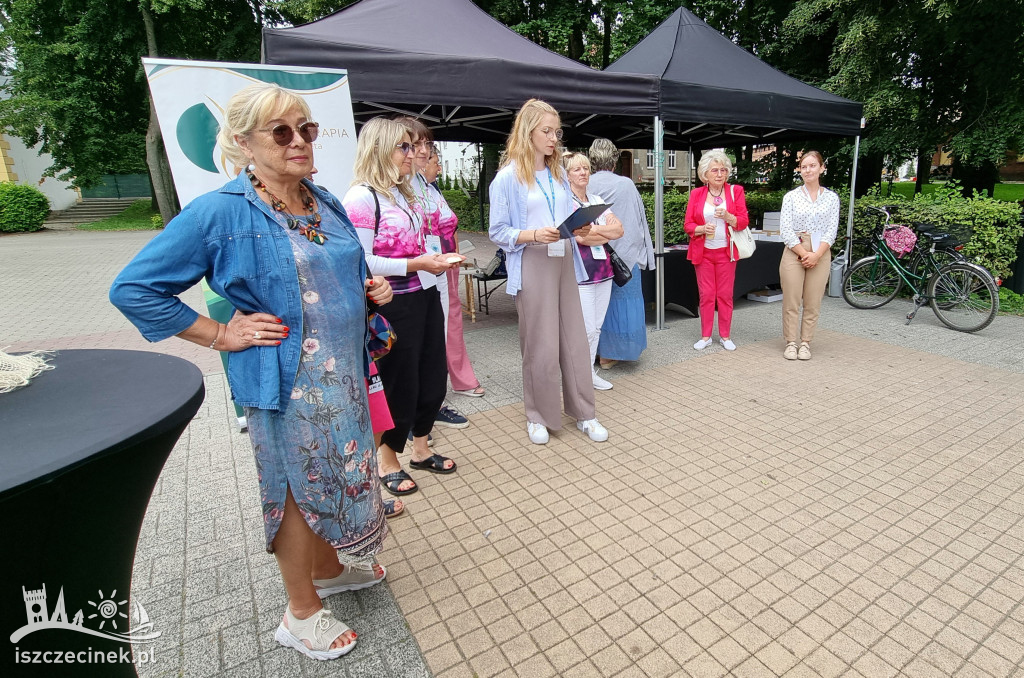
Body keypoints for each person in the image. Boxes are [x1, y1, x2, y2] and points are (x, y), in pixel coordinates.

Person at [110, 83, 391, 660]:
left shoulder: (325, 199)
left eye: (306, 128)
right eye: (281, 131)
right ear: (243, 143)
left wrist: (372, 289)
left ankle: (329, 569)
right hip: (286, 383)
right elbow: (133, 289)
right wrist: (218, 334)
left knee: (333, 476)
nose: (300, 141)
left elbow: (342, 268)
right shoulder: (221, 212)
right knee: (293, 490)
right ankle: (301, 612)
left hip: (341, 380)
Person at [341, 116, 462, 496]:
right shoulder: (362, 197)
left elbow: (421, 243)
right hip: (392, 302)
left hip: (425, 291)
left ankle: (421, 448)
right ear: (381, 150)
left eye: (414, 146)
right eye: (404, 147)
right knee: (399, 382)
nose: (415, 154)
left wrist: (434, 262)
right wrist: (417, 264)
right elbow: (359, 260)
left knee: (432, 374)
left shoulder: (403, 194)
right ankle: (386, 458)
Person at [489, 98, 609, 445]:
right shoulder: (508, 178)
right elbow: (497, 231)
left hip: (564, 256)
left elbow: (561, 218)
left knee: (574, 339)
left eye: (557, 131)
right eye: (546, 131)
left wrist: (579, 228)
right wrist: (532, 235)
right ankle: (538, 415)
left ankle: (586, 413)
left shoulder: (558, 174)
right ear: (527, 132)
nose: (554, 137)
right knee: (540, 344)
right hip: (532, 259)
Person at [421, 143, 486, 398]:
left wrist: (456, 258)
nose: (438, 166)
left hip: (447, 266)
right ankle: (431, 391)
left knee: (453, 322)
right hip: (426, 267)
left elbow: (452, 227)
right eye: (435, 161)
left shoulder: (434, 191)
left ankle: (460, 379)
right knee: (434, 326)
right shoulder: (411, 193)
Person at [587, 139, 655, 370]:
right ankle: (612, 354)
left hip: (592, 255)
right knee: (623, 305)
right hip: (624, 256)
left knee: (593, 306)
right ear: (615, 162)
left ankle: (594, 353)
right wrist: (643, 254)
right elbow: (637, 223)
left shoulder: (584, 183)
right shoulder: (626, 185)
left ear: (591, 160)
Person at [563, 151, 623, 391]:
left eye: (586, 168)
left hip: (603, 271)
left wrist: (594, 232)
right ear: (566, 175)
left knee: (596, 326)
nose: (583, 173)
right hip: (581, 273)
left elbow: (619, 230)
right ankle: (580, 375)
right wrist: (599, 233)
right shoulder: (565, 202)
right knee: (585, 328)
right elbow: (578, 237)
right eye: (577, 169)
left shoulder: (597, 200)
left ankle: (588, 373)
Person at [683, 149, 750, 351]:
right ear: (705, 174)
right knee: (706, 294)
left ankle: (725, 335)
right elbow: (688, 225)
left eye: (723, 170)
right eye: (715, 170)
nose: (720, 174)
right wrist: (701, 229)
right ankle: (705, 336)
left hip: (726, 251)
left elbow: (743, 221)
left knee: (725, 294)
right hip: (703, 252)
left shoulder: (735, 191)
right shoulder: (697, 194)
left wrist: (729, 217)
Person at [779, 150, 840, 360]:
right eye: (804, 167)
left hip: (820, 249)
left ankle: (805, 343)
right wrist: (804, 252)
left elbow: (832, 230)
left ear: (822, 168)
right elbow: (785, 229)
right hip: (795, 248)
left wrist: (817, 255)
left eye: (813, 165)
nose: (808, 170)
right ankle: (791, 342)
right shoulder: (791, 197)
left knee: (813, 301)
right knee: (792, 300)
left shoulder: (832, 198)